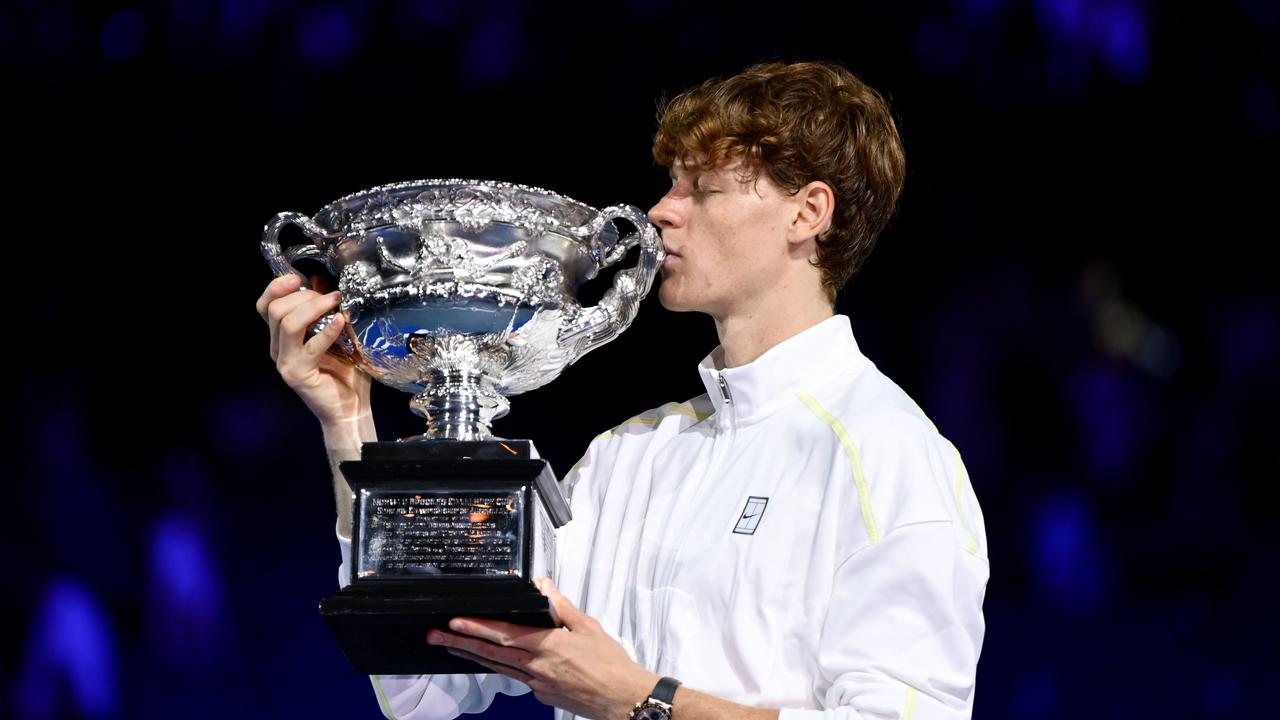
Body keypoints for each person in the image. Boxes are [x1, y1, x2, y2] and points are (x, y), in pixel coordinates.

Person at [256, 61, 989, 720]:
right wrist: (348, 422)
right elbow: (423, 685)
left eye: (701, 189)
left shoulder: (890, 456)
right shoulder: (626, 460)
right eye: (671, 185)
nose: (661, 211)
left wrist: (641, 701)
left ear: (808, 214)